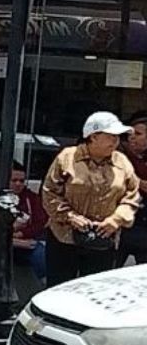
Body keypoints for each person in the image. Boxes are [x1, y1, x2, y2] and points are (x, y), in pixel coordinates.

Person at [42, 111, 141, 285]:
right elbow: (50, 192)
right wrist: (70, 217)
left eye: (118, 136)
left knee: (95, 289)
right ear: (93, 137)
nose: (116, 141)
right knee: (60, 288)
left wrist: (116, 220)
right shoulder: (67, 157)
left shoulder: (122, 161)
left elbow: (132, 196)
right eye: (111, 136)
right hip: (64, 238)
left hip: (104, 240)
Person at [0, 162, 48, 284]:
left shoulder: (32, 198)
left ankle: (45, 286)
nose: (18, 184)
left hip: (22, 241)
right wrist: (8, 233)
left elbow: (40, 223)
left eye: (22, 181)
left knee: (40, 253)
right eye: (14, 180)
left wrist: (21, 234)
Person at [119, 114, 147, 264]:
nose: (132, 138)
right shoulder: (119, 156)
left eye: (138, 134)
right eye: (129, 134)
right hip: (120, 226)